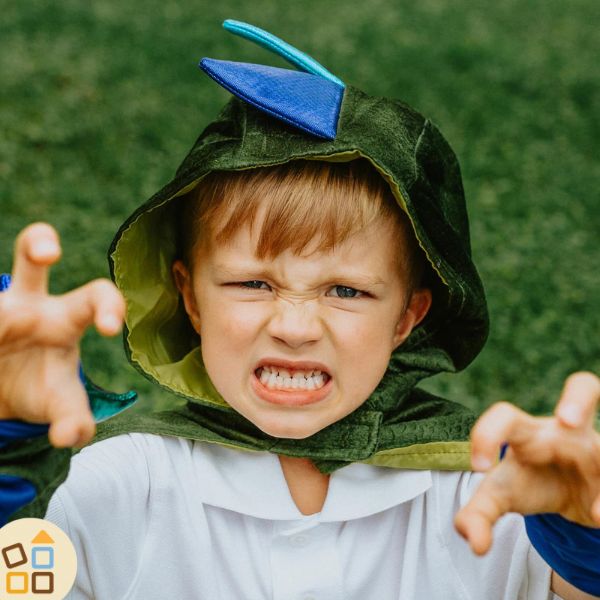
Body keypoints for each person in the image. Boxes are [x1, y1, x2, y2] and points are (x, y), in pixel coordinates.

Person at [1, 19, 599, 600]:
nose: (293, 327)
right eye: (252, 283)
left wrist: (586, 538)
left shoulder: (495, 497)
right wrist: (11, 443)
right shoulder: (116, 484)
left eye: (347, 291)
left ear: (407, 317)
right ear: (190, 297)